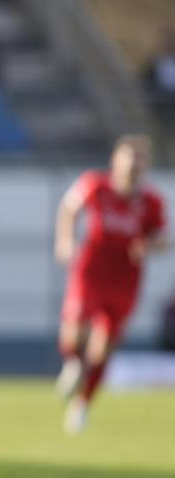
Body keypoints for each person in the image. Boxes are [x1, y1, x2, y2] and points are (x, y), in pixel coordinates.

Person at [54, 135, 168, 434]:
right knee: (73, 328)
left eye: (137, 163)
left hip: (124, 280)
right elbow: (68, 208)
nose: (132, 168)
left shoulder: (152, 202)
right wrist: (65, 240)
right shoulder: (95, 185)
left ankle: (81, 406)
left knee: (103, 348)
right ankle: (72, 364)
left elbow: (163, 239)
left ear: (144, 168)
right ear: (115, 162)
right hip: (90, 270)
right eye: (127, 160)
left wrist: (150, 246)